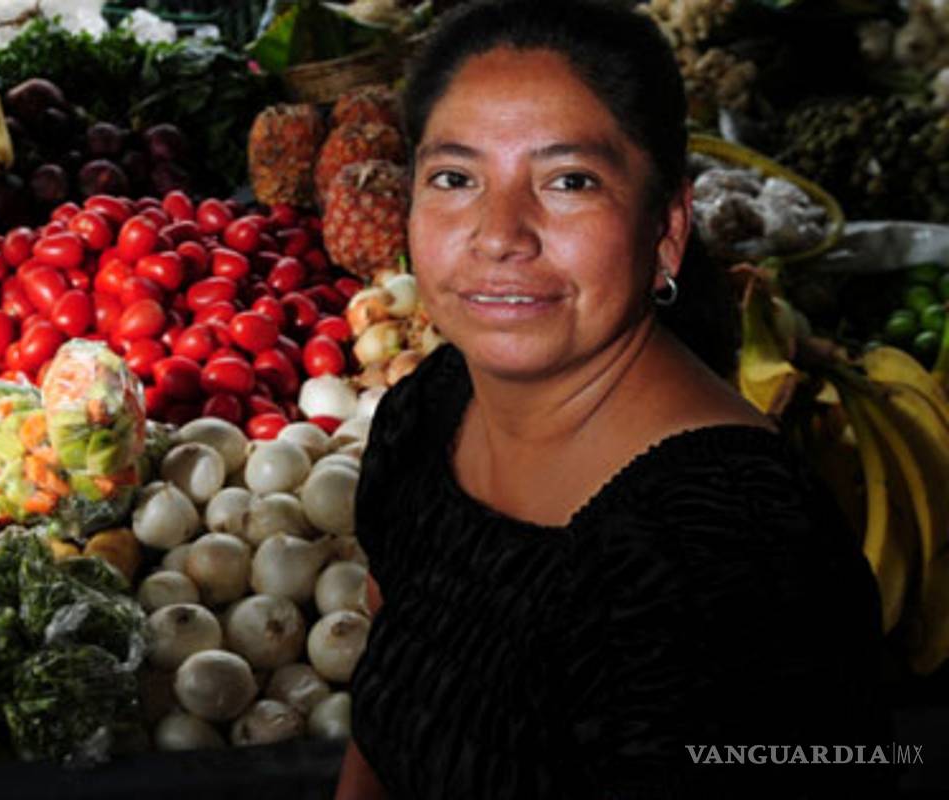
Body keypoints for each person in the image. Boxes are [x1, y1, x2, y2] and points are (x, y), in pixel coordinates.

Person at [336, 1, 891, 797]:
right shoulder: (427, 414)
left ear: (665, 229)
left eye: (568, 181)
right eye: (455, 178)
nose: (500, 234)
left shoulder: (729, 558)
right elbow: (384, 732)